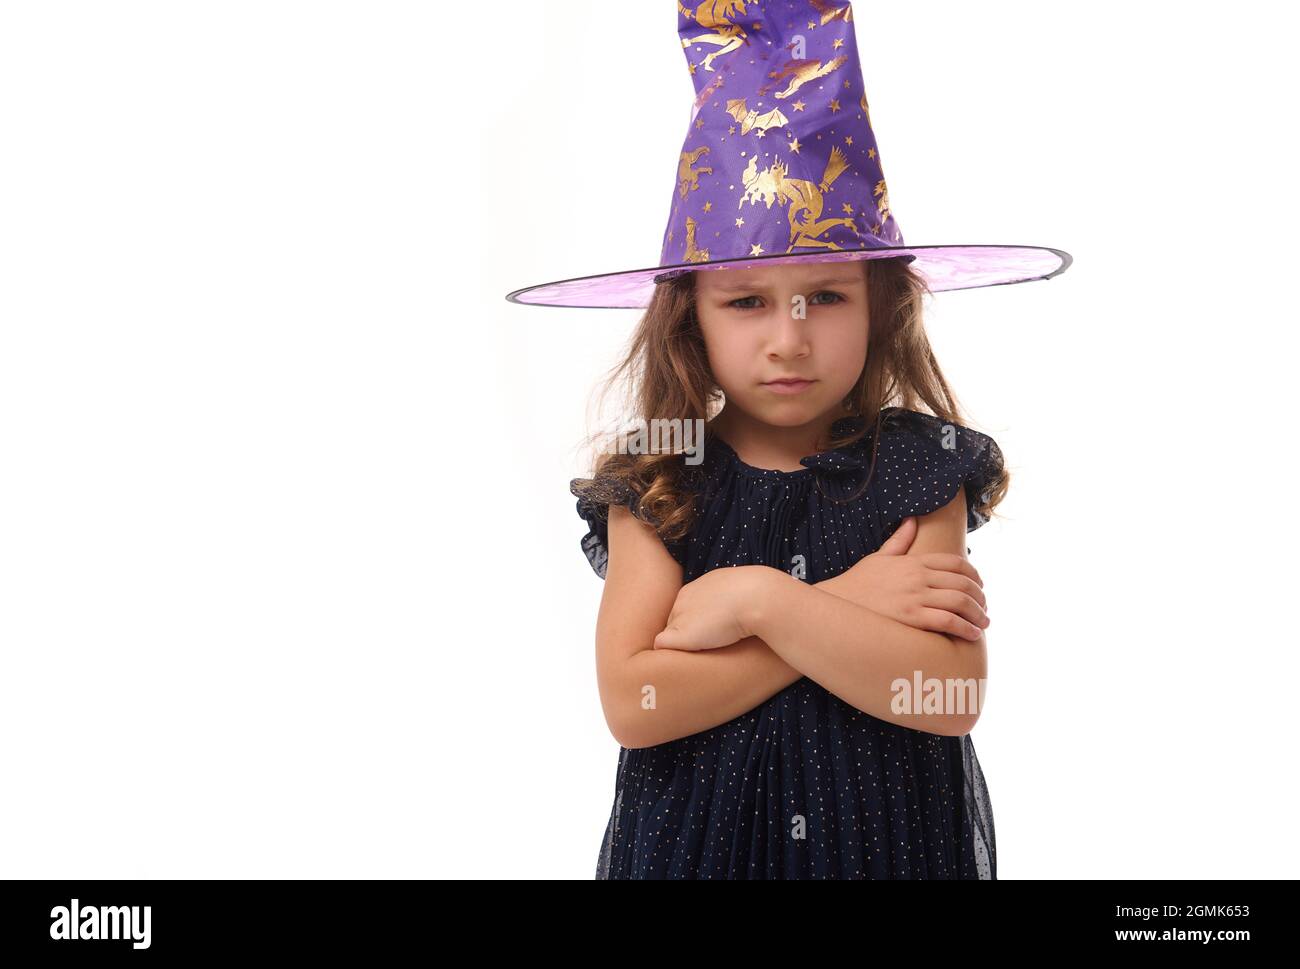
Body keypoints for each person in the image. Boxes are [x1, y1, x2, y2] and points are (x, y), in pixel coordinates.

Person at [506, 1, 1071, 878]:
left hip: (887, 851)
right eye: (746, 301)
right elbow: (635, 700)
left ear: (883, 302)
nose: (789, 339)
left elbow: (950, 692)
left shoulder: (919, 469)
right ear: (688, 315)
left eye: (828, 296)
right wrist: (852, 602)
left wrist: (758, 602)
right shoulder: (659, 481)